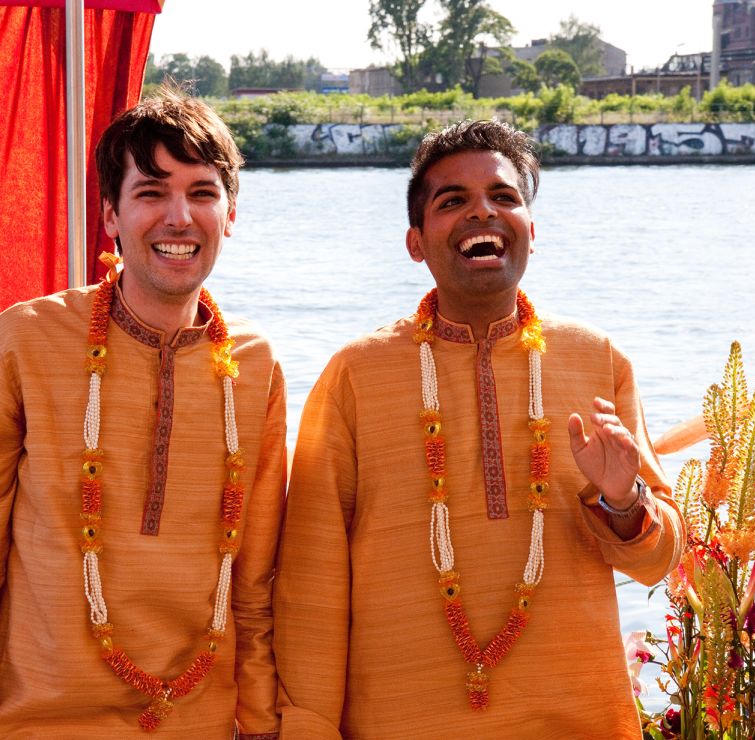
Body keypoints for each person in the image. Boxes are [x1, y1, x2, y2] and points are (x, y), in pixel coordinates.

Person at [273, 120, 685, 738]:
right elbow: (312, 581)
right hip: (400, 720)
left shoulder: (595, 359)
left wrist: (622, 501)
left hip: (574, 717)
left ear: (532, 232)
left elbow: (660, 560)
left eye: (503, 197)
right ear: (416, 242)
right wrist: (309, 725)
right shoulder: (356, 374)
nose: (481, 212)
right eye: (452, 201)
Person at [0, 88, 285, 738]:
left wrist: (261, 725)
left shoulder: (257, 366)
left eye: (202, 192)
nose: (179, 216)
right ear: (111, 215)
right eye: (151, 193)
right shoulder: (25, 340)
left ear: (230, 215)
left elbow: (256, 586)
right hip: (35, 725)